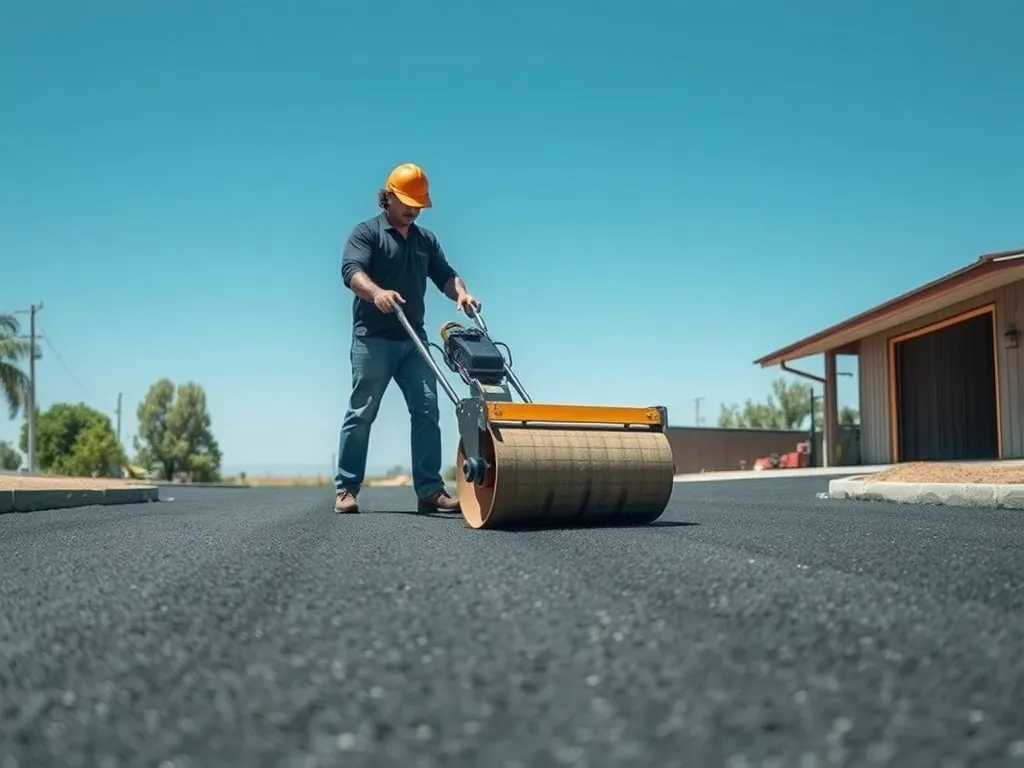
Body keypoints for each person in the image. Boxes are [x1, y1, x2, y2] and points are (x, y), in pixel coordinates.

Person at [334, 162, 481, 515]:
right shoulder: (367, 233)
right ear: (388, 197)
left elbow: (445, 274)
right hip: (373, 340)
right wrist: (377, 292)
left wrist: (461, 293)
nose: (413, 210)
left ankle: (429, 491)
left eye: (418, 205)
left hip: (415, 340)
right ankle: (346, 489)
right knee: (362, 412)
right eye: (406, 203)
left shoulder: (425, 240)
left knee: (428, 409)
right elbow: (351, 272)